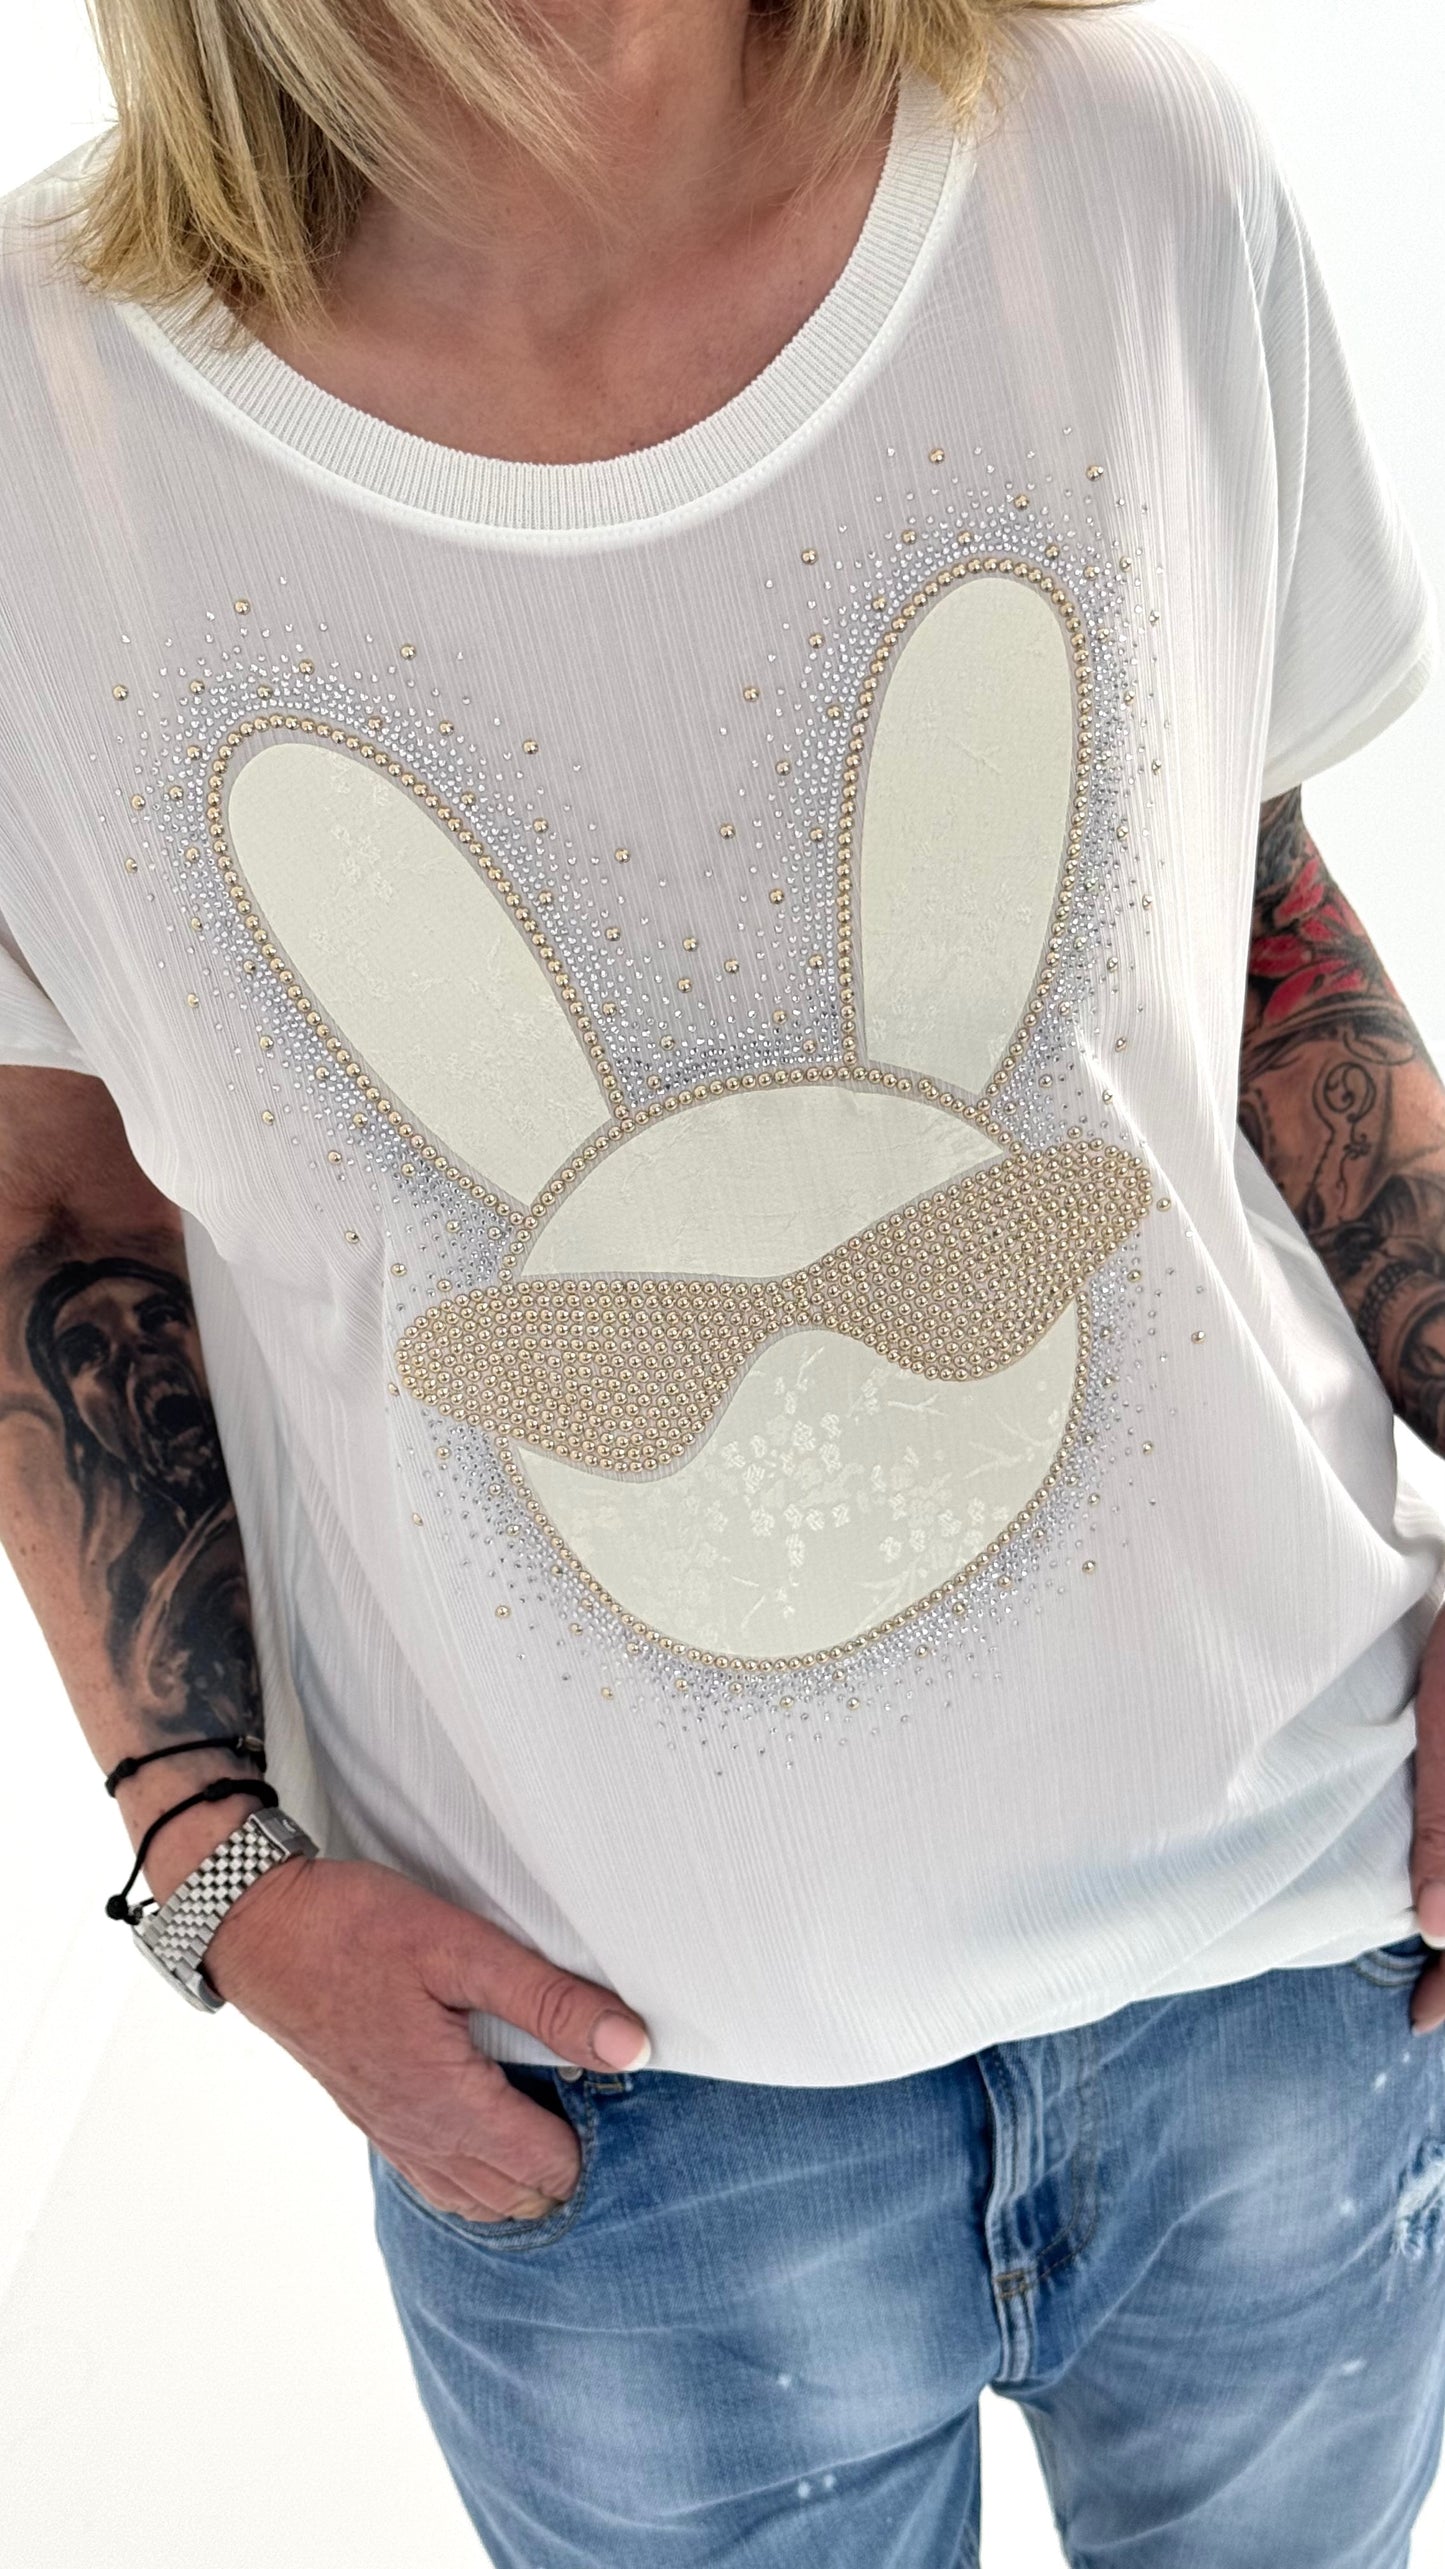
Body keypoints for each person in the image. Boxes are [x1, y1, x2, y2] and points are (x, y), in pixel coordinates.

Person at [1, 0, 1442, 2557]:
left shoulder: (1122, 176)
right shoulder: (42, 427)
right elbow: (53, 1209)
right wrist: (214, 1874)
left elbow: (1258, 936)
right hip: (617, 2113)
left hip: (1297, 1963)